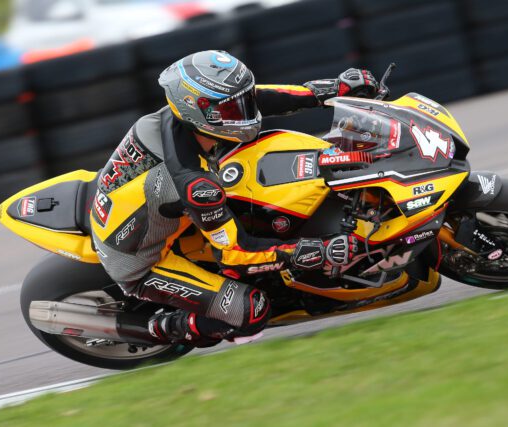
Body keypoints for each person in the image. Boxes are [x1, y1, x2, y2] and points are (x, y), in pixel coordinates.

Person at [89, 50, 378, 346]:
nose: (245, 112)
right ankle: (160, 328)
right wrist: (313, 250)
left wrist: (332, 90)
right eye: (232, 108)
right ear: (198, 110)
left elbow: (261, 98)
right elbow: (235, 254)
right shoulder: (196, 184)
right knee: (250, 311)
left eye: (243, 101)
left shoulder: (182, 120)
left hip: (145, 208)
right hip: (139, 261)